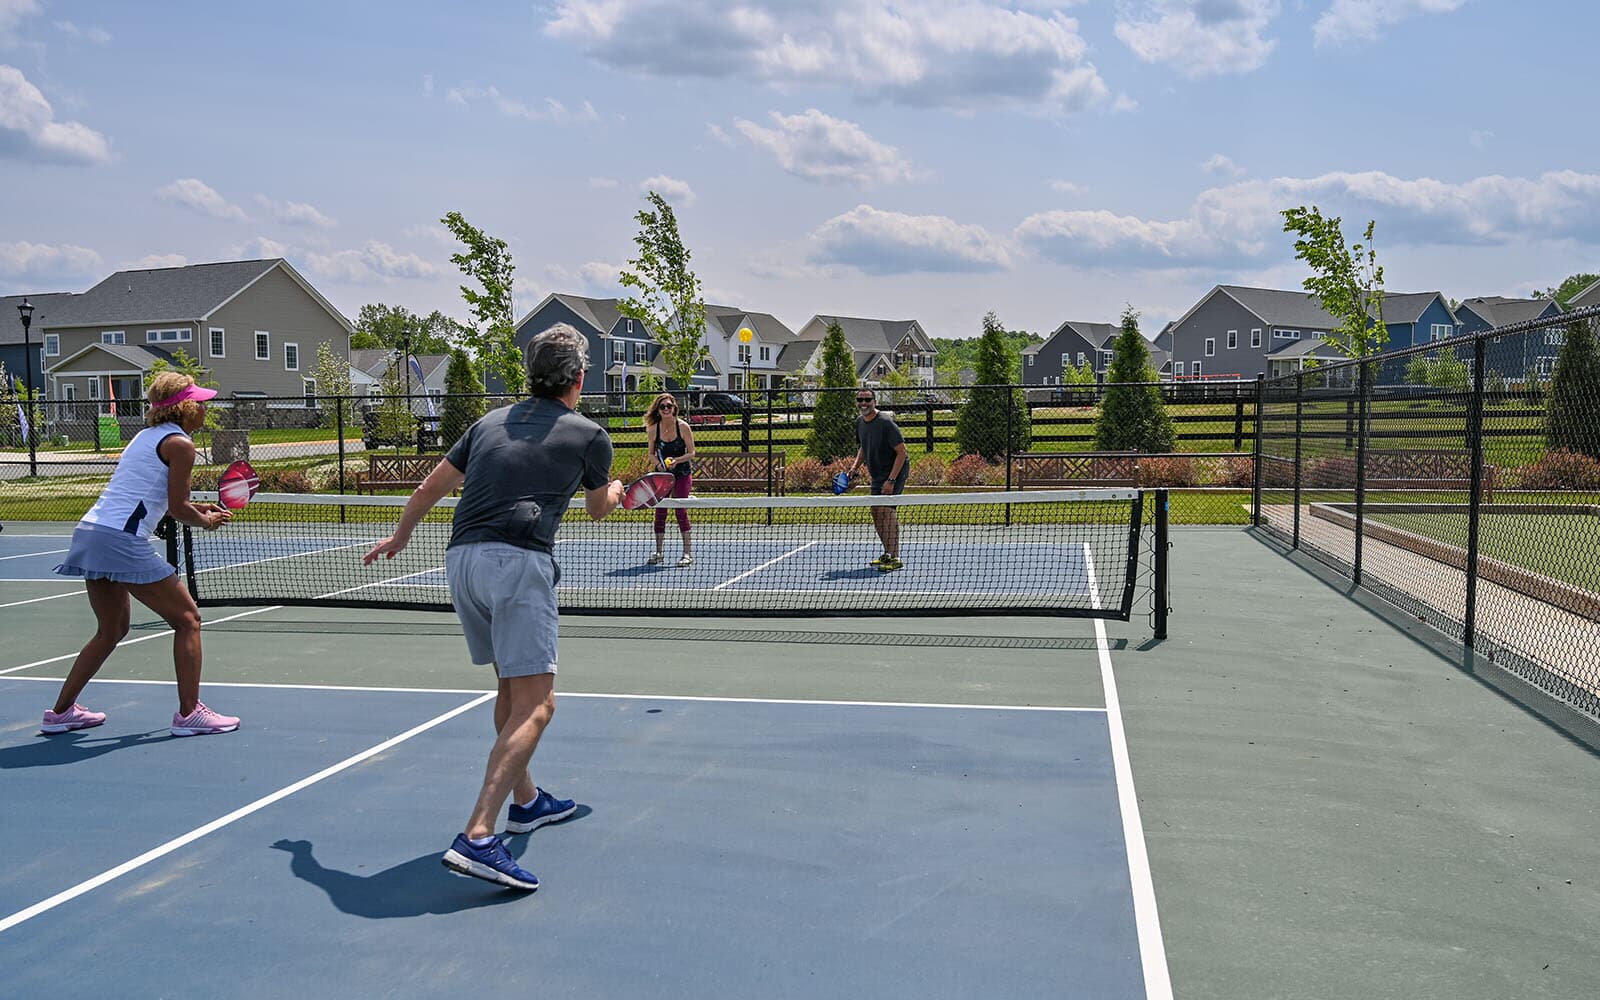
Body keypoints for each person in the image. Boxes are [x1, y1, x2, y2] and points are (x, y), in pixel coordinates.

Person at [363, 323, 624, 892]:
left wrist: (400, 537)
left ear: (531, 375)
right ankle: (479, 834)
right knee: (538, 706)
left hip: (461, 563)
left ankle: (526, 802)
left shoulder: (487, 423)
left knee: (510, 688)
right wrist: (619, 490)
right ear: (579, 379)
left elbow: (428, 489)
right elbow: (597, 508)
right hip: (516, 564)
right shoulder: (590, 435)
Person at [44, 372, 240, 737]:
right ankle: (190, 714)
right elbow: (178, 509)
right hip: (120, 540)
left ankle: (60, 713)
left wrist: (200, 508)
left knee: (111, 630)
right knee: (188, 620)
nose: (205, 408)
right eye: (200, 402)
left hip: (92, 532)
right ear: (184, 408)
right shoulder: (181, 444)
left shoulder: (144, 436)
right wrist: (206, 521)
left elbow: (151, 496)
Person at [849, 387, 909, 572]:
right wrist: (854, 468)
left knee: (887, 511)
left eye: (867, 400)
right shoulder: (860, 422)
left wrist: (891, 480)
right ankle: (888, 553)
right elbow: (863, 447)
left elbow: (902, 452)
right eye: (860, 400)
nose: (863, 403)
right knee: (876, 511)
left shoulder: (885, 423)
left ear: (874, 402)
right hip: (877, 474)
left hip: (895, 471)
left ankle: (896, 557)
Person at [642, 392, 695, 566]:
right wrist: (659, 465)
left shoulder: (683, 427)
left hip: (682, 473)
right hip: (662, 476)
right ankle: (659, 552)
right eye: (662, 406)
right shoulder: (653, 429)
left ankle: (687, 554)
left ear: (674, 408)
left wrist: (677, 461)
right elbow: (651, 454)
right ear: (658, 410)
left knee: (680, 510)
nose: (666, 409)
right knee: (660, 511)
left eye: (669, 406)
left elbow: (692, 453)